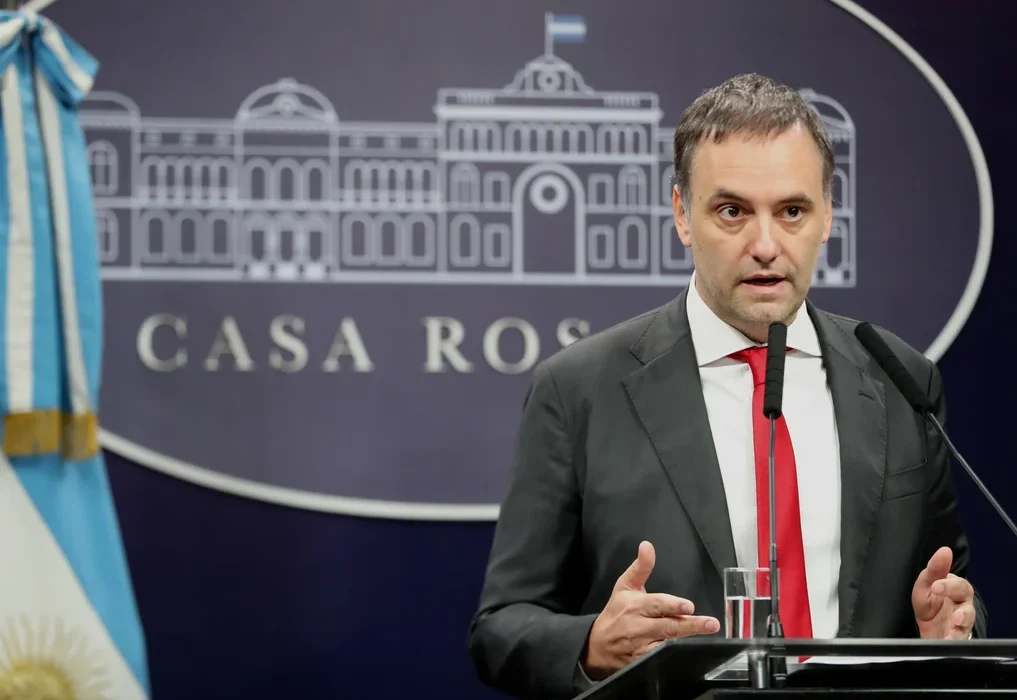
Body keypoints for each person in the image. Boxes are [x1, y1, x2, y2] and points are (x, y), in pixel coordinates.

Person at [467, 73, 986, 699]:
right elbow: (502, 627)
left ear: (827, 214)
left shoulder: (900, 378)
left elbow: (952, 592)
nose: (765, 245)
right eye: (732, 211)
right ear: (682, 215)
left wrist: (950, 632)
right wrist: (594, 645)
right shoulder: (579, 391)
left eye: (792, 211)